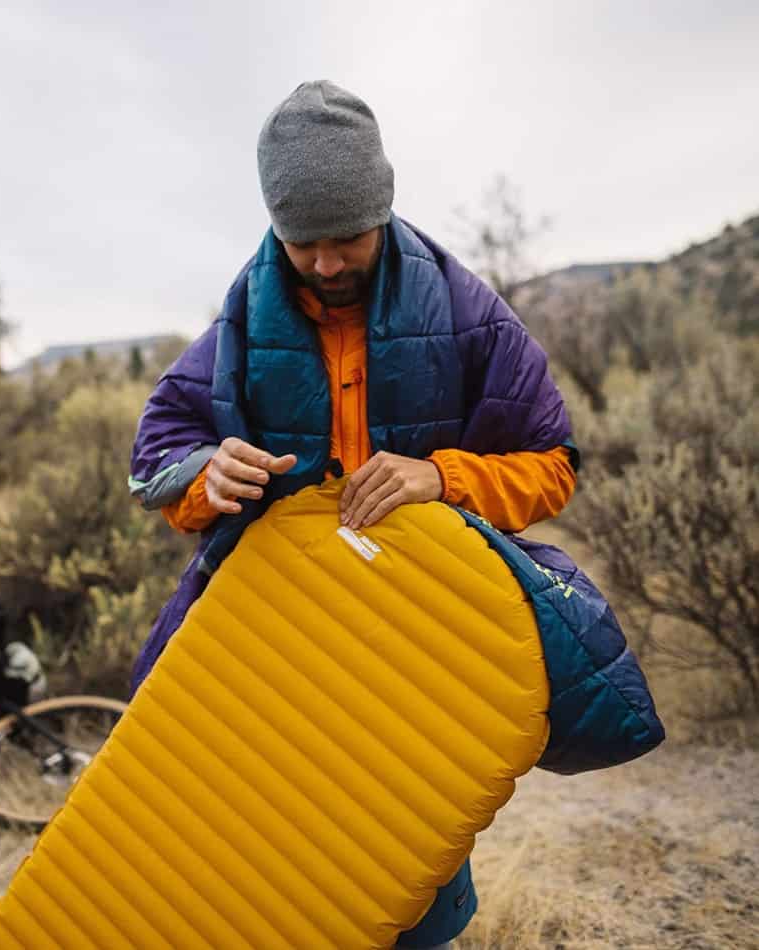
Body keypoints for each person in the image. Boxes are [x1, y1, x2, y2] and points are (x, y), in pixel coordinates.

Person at [128, 80, 578, 949]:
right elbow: (159, 452)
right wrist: (204, 476)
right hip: (276, 646)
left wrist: (441, 477)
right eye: (304, 244)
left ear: (384, 205)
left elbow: (553, 466)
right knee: (272, 864)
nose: (327, 264)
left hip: (415, 642)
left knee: (406, 868)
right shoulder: (243, 312)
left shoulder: (467, 312)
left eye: (347, 239)